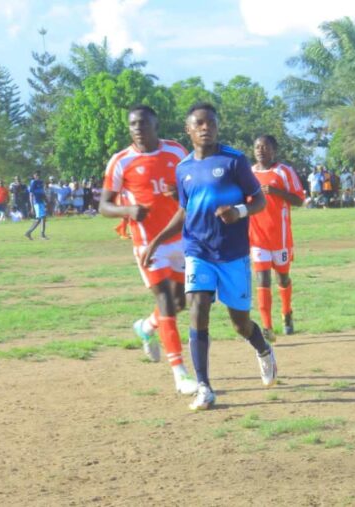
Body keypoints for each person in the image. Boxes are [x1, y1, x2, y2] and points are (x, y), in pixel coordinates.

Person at [141, 102, 277, 411]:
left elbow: (259, 201)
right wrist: (157, 241)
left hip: (233, 253)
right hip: (198, 250)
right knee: (197, 307)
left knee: (240, 324)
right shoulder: (184, 168)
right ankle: (204, 387)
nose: (206, 128)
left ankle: (263, 349)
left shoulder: (233, 161)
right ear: (188, 130)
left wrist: (238, 211)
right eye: (199, 124)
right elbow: (185, 210)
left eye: (211, 123)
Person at [100, 104, 198, 396]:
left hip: (181, 238)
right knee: (166, 300)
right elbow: (104, 205)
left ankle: (146, 327)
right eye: (133, 124)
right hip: (147, 245)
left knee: (180, 302)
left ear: (156, 125)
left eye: (143, 123)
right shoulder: (120, 161)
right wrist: (128, 210)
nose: (137, 129)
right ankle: (180, 374)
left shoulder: (176, 152)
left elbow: (193, 185)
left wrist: (179, 192)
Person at [249, 135, 306, 342]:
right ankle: (267, 327)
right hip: (257, 237)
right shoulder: (249, 173)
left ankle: (287, 312)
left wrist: (276, 192)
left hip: (280, 238)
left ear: (273, 150)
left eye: (265, 147)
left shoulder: (284, 171)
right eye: (257, 147)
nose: (260, 150)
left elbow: (299, 200)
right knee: (262, 280)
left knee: (282, 278)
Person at [25, 171, 49, 240]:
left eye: (39, 175)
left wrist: (46, 199)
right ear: (34, 176)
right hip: (36, 202)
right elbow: (31, 195)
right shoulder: (33, 182)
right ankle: (42, 235)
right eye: (36, 175)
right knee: (41, 218)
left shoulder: (41, 182)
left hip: (41, 202)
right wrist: (32, 206)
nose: (38, 176)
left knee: (41, 219)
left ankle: (29, 232)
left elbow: (42, 192)